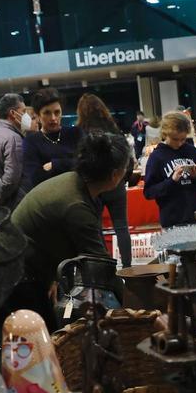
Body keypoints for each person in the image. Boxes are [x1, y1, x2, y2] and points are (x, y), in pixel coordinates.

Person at [8, 130, 130, 324]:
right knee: (43, 337)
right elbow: (101, 267)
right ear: (115, 175)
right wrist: (132, 309)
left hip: (26, 266)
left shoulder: (75, 181)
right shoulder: (76, 205)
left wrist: (52, 278)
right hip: (16, 275)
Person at [77, 93, 133, 268]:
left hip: (95, 187)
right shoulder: (114, 129)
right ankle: (127, 267)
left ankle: (105, 267)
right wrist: (123, 178)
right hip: (116, 184)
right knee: (121, 226)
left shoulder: (82, 134)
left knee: (97, 228)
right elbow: (128, 159)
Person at [143, 111, 196, 228]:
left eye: (183, 139)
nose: (179, 143)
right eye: (175, 139)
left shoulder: (191, 151)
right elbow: (149, 192)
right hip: (172, 221)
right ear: (165, 133)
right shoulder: (157, 156)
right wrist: (172, 181)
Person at [22, 88, 81, 194]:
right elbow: (35, 178)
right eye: (47, 113)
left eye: (57, 112)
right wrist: (71, 163)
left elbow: (87, 164)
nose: (53, 118)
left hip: (80, 195)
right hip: (50, 199)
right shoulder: (31, 142)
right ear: (38, 115)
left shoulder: (75, 133)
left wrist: (55, 164)